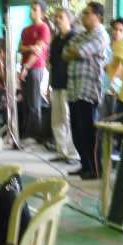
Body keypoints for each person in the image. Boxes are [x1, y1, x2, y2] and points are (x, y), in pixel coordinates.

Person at [64, 2, 110, 180]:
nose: (83, 16)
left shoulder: (101, 35)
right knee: (76, 130)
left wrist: (75, 51)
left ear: (98, 16)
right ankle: (84, 165)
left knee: (88, 131)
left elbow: (80, 52)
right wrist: (74, 51)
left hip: (88, 89)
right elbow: (65, 52)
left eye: (87, 13)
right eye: (83, 13)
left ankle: (94, 169)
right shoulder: (82, 34)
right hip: (74, 88)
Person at [18, 0, 52, 142]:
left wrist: (27, 67)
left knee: (34, 103)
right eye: (31, 9)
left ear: (42, 13)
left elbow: (38, 51)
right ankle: (26, 133)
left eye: (35, 9)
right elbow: (20, 48)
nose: (31, 11)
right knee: (25, 102)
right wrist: (30, 48)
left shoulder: (44, 28)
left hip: (35, 68)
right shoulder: (25, 29)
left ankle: (35, 135)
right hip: (24, 67)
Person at [48, 8, 78, 163]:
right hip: (56, 83)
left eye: (61, 17)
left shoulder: (75, 37)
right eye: (56, 17)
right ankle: (61, 151)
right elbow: (52, 63)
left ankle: (73, 154)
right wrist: (49, 84)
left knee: (69, 119)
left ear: (70, 20)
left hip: (69, 84)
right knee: (57, 120)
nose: (57, 19)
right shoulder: (55, 39)